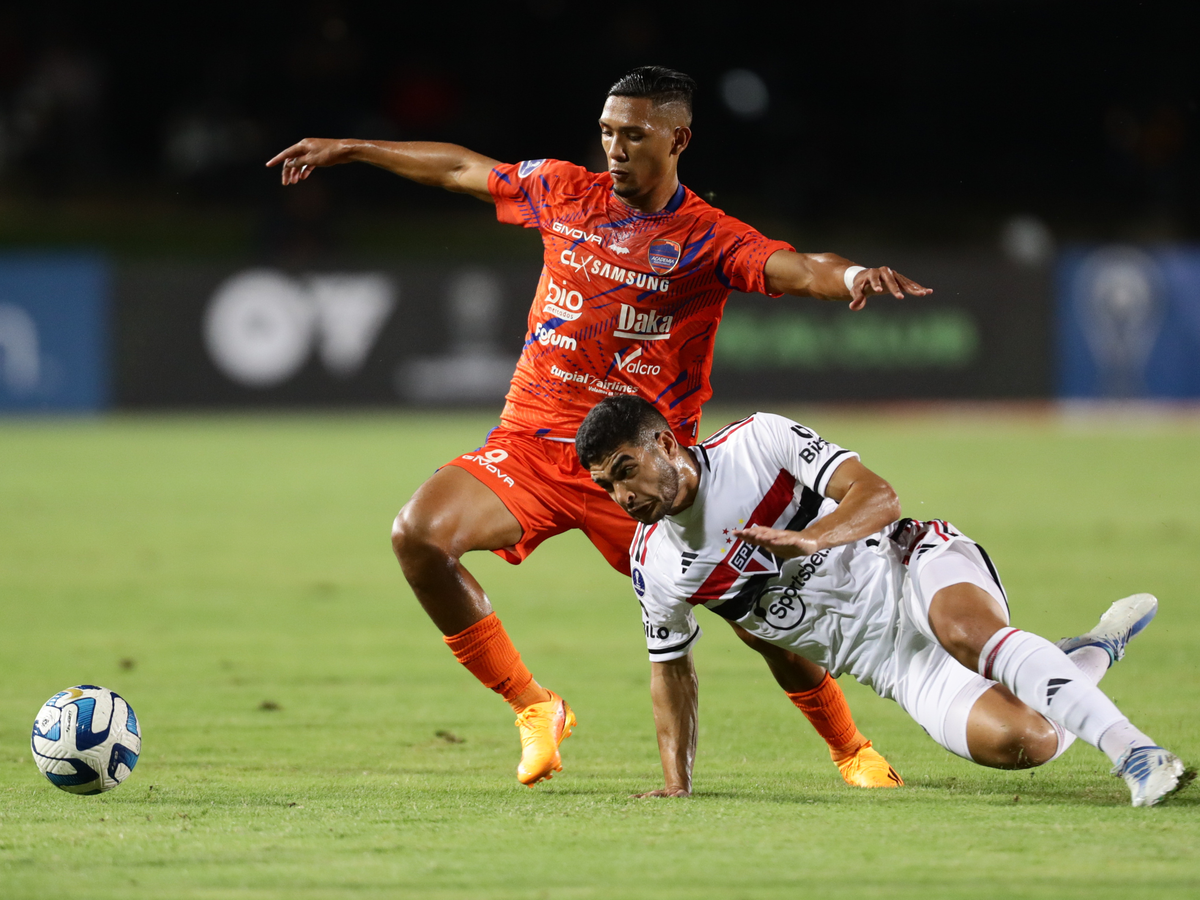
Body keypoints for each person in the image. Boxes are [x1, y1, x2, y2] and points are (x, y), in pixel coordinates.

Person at [266, 66, 928, 788]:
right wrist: (355, 148)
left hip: (646, 470)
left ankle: (849, 749)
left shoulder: (705, 237)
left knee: (761, 620)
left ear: (679, 139)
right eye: (609, 131)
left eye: (634, 134)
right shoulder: (563, 191)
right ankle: (534, 706)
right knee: (417, 535)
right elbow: (462, 166)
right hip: (532, 447)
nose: (614, 147)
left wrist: (854, 274)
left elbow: (798, 268)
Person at [575, 395, 1194, 806]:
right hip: (890, 664)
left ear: (664, 442)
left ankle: (1135, 753)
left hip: (910, 564)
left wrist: (811, 537)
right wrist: (675, 787)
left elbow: (878, 496)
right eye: (607, 486)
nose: (622, 496)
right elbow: (671, 670)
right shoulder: (656, 564)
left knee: (961, 629)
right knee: (1022, 740)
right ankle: (1084, 657)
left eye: (626, 470)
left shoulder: (758, 442)